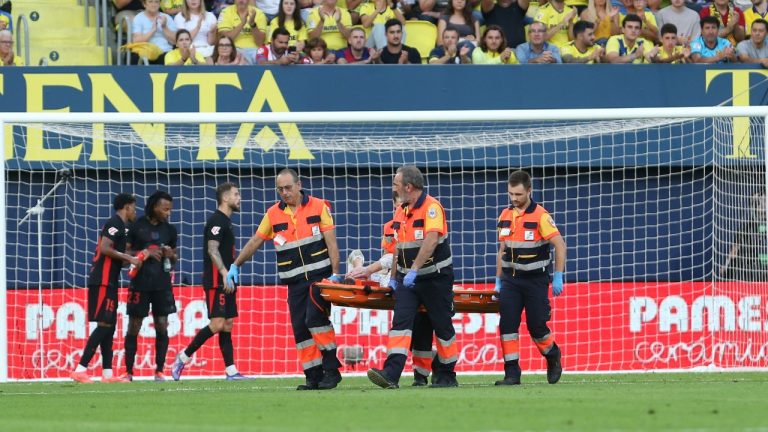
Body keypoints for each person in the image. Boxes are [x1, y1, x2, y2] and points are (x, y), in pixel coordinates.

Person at [227, 169, 344, 390]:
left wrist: (335, 274)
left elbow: (332, 243)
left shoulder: (319, 206)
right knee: (300, 329)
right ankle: (313, 376)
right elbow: (255, 241)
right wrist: (236, 265)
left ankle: (331, 370)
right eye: (280, 189)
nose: (284, 193)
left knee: (314, 321)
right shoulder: (273, 214)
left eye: (288, 187)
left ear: (299, 184)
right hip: (294, 282)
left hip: (319, 279)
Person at [367, 165, 458, 389]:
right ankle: (391, 375)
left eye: (396, 184)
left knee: (442, 326)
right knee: (400, 324)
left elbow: (431, 240)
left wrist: (415, 268)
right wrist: (395, 277)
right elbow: (398, 246)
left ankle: (446, 373)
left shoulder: (432, 207)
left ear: (408, 187)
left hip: (436, 278)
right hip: (409, 280)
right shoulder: (402, 210)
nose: (393, 188)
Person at [172, 183, 251, 381]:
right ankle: (183, 357)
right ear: (225, 198)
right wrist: (224, 272)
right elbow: (212, 250)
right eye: (236, 194)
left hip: (227, 279)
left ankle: (231, 371)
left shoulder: (226, 221)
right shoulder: (216, 221)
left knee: (228, 324)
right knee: (217, 324)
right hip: (217, 280)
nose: (239, 197)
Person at [494, 170, 566, 386]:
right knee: (507, 325)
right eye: (510, 194)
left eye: (518, 194)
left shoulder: (541, 216)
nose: (514, 199)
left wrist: (558, 276)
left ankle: (552, 354)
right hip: (510, 281)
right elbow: (502, 250)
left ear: (529, 191)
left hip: (535, 281)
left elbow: (560, 246)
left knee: (537, 327)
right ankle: (512, 373)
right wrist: (498, 279)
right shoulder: (505, 216)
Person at [71, 194, 140, 383]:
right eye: (134, 207)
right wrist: (129, 258)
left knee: (110, 325)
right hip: (102, 280)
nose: (135, 211)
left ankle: (107, 374)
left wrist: (135, 259)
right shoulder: (114, 222)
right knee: (105, 324)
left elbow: (118, 257)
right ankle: (80, 369)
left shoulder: (122, 227)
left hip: (110, 280)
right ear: (126, 207)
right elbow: (105, 248)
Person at [122, 191, 179, 382]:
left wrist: (170, 254)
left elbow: (175, 261)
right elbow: (124, 256)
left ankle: (159, 371)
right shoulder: (136, 226)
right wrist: (144, 252)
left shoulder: (170, 230)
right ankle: (128, 372)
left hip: (162, 285)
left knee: (162, 325)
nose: (168, 213)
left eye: (170, 209)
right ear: (154, 207)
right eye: (165, 209)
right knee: (134, 326)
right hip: (140, 284)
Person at [720, 191, 768, 281]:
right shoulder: (746, 228)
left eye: (763, 200)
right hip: (752, 272)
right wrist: (726, 265)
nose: (760, 203)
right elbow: (734, 250)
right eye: (758, 201)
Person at [218, 0, 269, 64]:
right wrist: (242, 23)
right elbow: (226, 39)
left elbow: (260, 43)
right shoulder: (225, 12)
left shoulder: (259, 13)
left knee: (261, 59)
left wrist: (252, 24)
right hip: (234, 49)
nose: (241, 0)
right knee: (240, 60)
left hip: (255, 49)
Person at [131, 0, 179, 64]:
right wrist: (153, 30)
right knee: (135, 58)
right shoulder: (138, 18)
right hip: (145, 52)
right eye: (150, 1)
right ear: (144, 4)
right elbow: (136, 41)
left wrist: (164, 27)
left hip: (164, 52)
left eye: (156, 2)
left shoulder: (167, 18)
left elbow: (175, 41)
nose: (154, 4)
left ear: (159, 4)